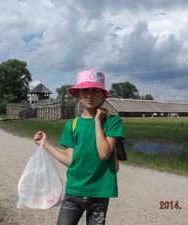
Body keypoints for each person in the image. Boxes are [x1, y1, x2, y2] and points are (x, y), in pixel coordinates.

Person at [34, 69, 124, 225]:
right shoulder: (72, 125)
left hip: (99, 193)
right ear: (78, 95)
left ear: (103, 95)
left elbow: (104, 153)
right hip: (74, 191)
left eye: (95, 91)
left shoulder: (112, 122)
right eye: (85, 91)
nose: (89, 95)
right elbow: (70, 160)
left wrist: (97, 122)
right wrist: (45, 143)